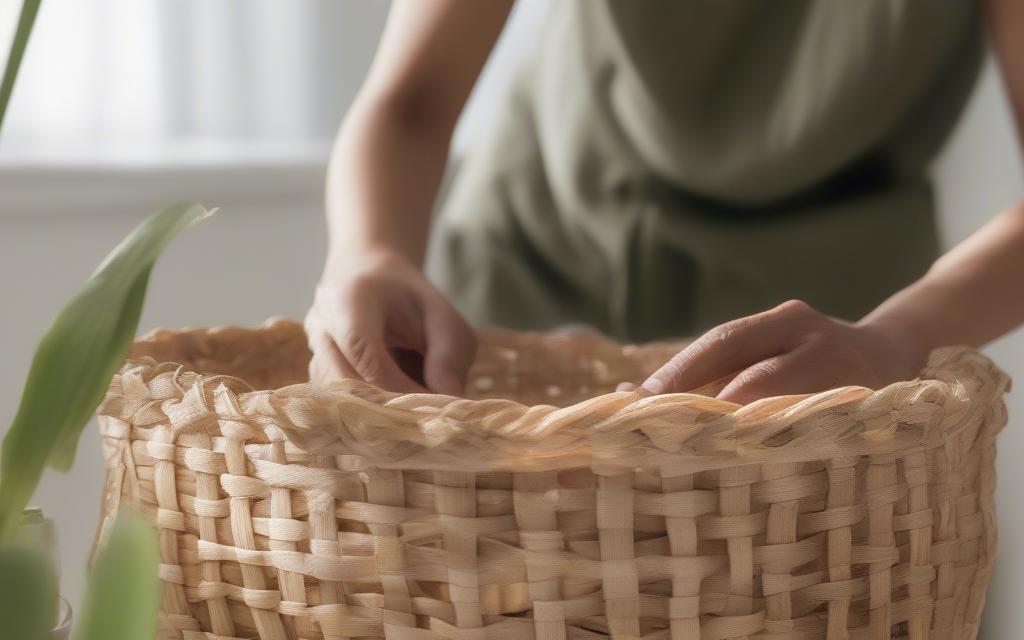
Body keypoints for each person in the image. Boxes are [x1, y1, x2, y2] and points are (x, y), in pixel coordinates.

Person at [306, 0, 1024, 405]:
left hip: (827, 352)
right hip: (522, 286)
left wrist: (894, 338)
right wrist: (369, 250)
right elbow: (412, 98)